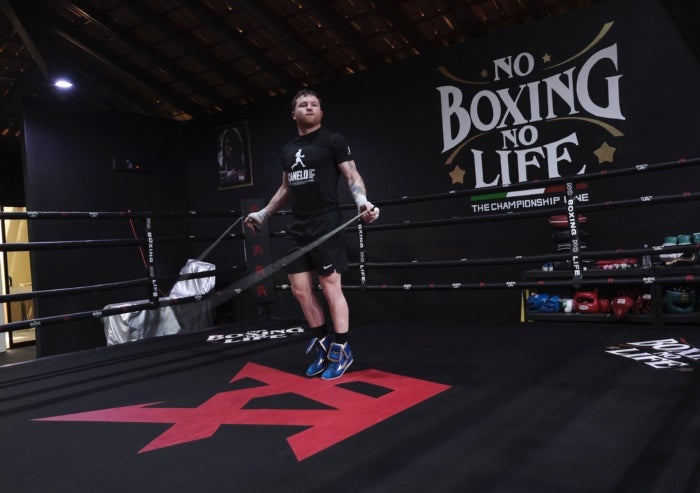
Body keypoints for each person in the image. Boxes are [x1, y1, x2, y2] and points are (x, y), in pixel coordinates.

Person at [245, 89, 380, 380]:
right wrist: (264, 214)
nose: (309, 107)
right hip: (297, 225)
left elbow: (352, 175)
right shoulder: (288, 150)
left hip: (326, 221)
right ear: (293, 113)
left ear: (321, 112)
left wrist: (361, 201)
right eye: (303, 105)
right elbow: (286, 189)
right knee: (300, 291)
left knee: (331, 288)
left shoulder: (333, 140)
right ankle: (322, 343)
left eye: (314, 104)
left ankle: (342, 349)